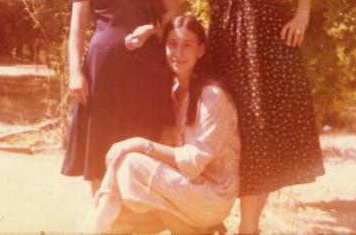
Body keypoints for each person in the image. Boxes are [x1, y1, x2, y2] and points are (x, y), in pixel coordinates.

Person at [164, 0, 325, 234]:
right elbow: (171, 4)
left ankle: (248, 227)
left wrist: (301, 16)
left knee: (260, 138)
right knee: (225, 135)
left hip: (269, 55)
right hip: (225, 55)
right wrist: (149, 22)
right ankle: (212, 216)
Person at [61, 0, 179, 197]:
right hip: (102, 70)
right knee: (100, 141)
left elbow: (174, 13)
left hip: (145, 69)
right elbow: (77, 26)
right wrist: (75, 72)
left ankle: (136, 216)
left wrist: (152, 31)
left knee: (141, 140)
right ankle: (101, 213)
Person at [82, 15, 240, 234]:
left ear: (201, 50)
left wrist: (140, 144)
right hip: (185, 189)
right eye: (172, 44)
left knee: (130, 164)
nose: (178, 53)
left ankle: (195, 229)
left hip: (212, 197)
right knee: (118, 219)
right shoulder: (173, 91)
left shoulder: (212, 97)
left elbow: (193, 161)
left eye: (187, 46)